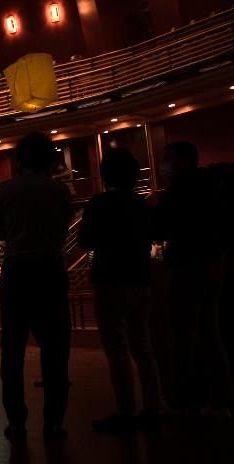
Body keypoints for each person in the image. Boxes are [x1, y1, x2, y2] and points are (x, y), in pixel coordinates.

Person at [0, 132, 72, 443]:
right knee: (56, 349)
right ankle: (53, 421)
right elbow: (63, 230)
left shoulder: (7, 189)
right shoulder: (60, 191)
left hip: (18, 271)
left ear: (19, 160)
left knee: (12, 352)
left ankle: (17, 422)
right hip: (50, 269)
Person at [80, 148, 163, 432]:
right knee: (144, 346)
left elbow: (85, 241)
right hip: (140, 277)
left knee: (117, 349)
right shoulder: (142, 205)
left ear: (105, 175)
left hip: (110, 279)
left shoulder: (99, 203)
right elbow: (155, 234)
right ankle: (154, 407)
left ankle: (126, 411)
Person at [154, 141, 234, 417]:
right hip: (212, 266)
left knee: (182, 336)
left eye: (168, 159)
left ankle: (187, 399)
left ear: (185, 161)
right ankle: (221, 400)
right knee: (210, 335)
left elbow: (159, 227)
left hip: (186, 267)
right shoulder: (214, 189)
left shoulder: (177, 192)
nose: (163, 164)